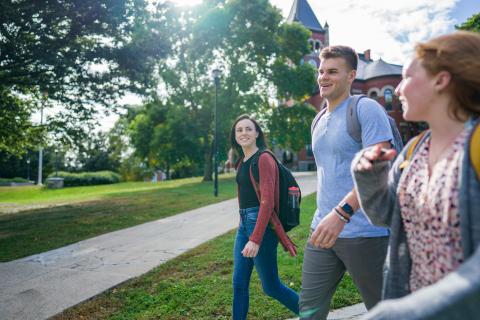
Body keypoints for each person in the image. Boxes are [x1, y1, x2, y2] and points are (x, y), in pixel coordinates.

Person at [352, 31, 480, 319]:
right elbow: (387, 217)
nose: (397, 90)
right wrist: (369, 176)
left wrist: (404, 312)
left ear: (441, 80)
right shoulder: (413, 149)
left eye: (407, 77)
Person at [300, 45, 395, 320]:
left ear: (352, 75)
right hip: (322, 231)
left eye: (332, 71)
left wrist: (342, 213)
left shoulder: (365, 108)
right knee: (309, 311)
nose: (323, 77)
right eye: (321, 71)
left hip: (365, 232)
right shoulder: (318, 119)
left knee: (386, 311)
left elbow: (379, 167)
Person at [230, 114, 299, 319]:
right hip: (244, 224)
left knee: (271, 287)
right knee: (239, 284)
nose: (244, 133)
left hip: (261, 224)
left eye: (248, 129)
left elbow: (267, 202)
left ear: (257, 133)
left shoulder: (264, 158)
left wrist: (255, 239)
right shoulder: (242, 162)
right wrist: (246, 230)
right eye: (239, 130)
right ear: (235, 136)